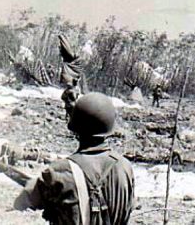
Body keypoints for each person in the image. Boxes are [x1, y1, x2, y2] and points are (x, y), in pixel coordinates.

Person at [14, 92, 135, 224]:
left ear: (76, 128)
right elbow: (128, 207)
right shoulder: (125, 167)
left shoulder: (59, 170)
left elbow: (22, 202)